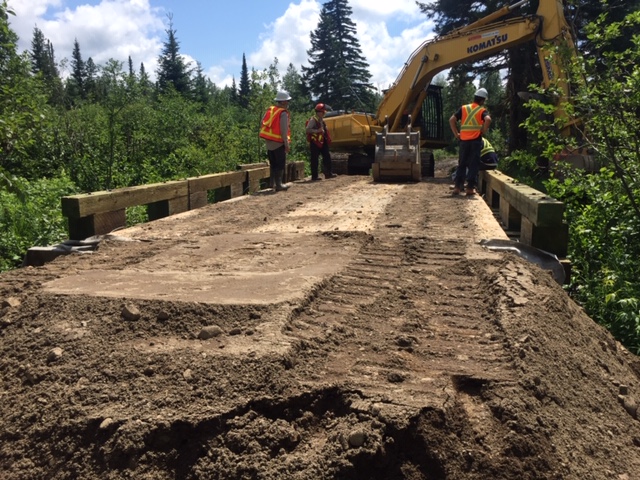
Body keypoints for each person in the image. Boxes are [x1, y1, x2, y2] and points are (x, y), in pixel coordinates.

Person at [449, 88, 492, 196]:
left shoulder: (464, 108)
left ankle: (457, 187)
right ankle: (470, 188)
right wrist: (483, 130)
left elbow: (451, 120)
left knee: (462, 163)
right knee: (473, 164)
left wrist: (456, 134)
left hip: (463, 140)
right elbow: (488, 119)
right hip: (475, 141)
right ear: (482, 100)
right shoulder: (482, 110)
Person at [260, 91, 292, 191]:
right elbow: (283, 130)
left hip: (269, 142)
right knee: (280, 163)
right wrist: (286, 144)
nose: (288, 103)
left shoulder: (270, 110)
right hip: (278, 142)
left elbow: (262, 122)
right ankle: (279, 185)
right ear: (283, 102)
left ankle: (272, 184)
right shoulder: (282, 113)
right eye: (287, 101)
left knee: (273, 163)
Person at [305, 103, 335, 181]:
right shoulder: (313, 119)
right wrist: (317, 131)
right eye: (323, 111)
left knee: (327, 156)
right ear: (319, 112)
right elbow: (307, 130)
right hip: (315, 142)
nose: (324, 113)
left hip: (322, 141)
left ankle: (329, 173)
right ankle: (314, 176)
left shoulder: (321, 119)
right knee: (314, 159)